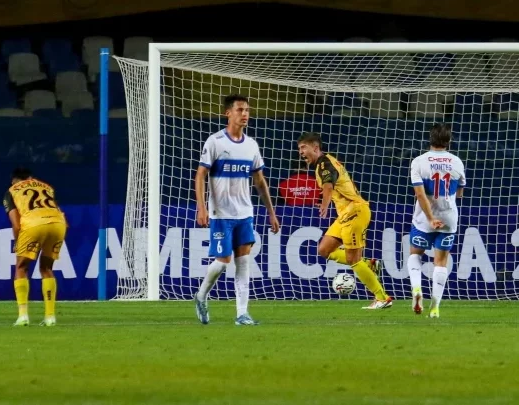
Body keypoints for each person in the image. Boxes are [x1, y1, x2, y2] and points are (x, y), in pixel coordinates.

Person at [193, 94, 281, 326]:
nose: (245, 114)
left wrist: (271, 212)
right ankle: (201, 296)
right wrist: (201, 207)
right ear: (228, 113)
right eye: (240, 110)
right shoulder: (215, 142)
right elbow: (200, 175)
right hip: (221, 214)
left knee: (243, 263)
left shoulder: (251, 145)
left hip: (245, 213)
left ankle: (242, 314)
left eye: (247, 110)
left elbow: (260, 182)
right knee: (222, 262)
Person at [297, 132, 392, 309]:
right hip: (345, 215)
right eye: (299, 149)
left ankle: (382, 297)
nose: (301, 152)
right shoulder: (328, 161)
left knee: (352, 259)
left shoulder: (324, 163)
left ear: (315, 147)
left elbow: (328, 185)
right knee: (324, 250)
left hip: (354, 211)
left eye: (304, 147)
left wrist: (324, 205)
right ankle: (370, 264)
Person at [408, 124, 465, 318]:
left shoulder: (419, 161)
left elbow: (420, 194)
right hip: (449, 216)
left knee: (415, 254)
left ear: (430, 140)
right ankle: (435, 306)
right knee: (441, 262)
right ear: (448, 141)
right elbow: (460, 192)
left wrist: (431, 218)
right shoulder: (457, 161)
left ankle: (417, 289)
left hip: (424, 218)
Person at [3, 167, 67, 327]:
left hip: (32, 225)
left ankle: (23, 316)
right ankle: (50, 317)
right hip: (58, 224)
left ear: (14, 180)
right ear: (31, 178)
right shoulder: (46, 187)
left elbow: (16, 224)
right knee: (46, 268)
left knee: (21, 267)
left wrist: (19, 242)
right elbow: (60, 213)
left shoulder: (12, 190)